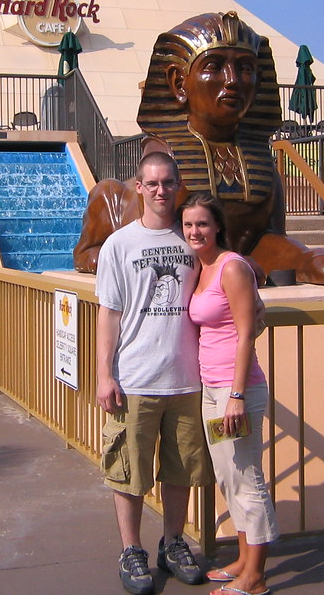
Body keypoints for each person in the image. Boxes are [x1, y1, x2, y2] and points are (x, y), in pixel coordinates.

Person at [74, 10, 324, 287]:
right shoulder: (165, 166)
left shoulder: (262, 166)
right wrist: (226, 262)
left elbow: (264, 239)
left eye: (245, 68)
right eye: (214, 67)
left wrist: (304, 258)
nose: (233, 81)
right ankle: (89, 248)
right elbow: (162, 241)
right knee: (108, 190)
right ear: (179, 83)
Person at [96, 151, 209, 595]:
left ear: (178, 185)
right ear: (139, 188)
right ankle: (131, 550)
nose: (161, 191)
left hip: (186, 379)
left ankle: (173, 542)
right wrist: (105, 375)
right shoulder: (119, 244)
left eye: (169, 182)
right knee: (130, 471)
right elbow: (109, 313)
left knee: (182, 470)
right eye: (153, 183)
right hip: (136, 378)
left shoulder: (194, 239)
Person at [180, 191, 278, 595]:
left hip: (237, 392)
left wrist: (236, 396)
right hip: (213, 388)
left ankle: (255, 576)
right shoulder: (200, 267)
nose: (195, 231)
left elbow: (245, 335)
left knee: (246, 476)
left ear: (218, 225)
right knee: (228, 475)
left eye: (202, 223)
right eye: (188, 224)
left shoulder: (231, 267)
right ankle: (242, 558)